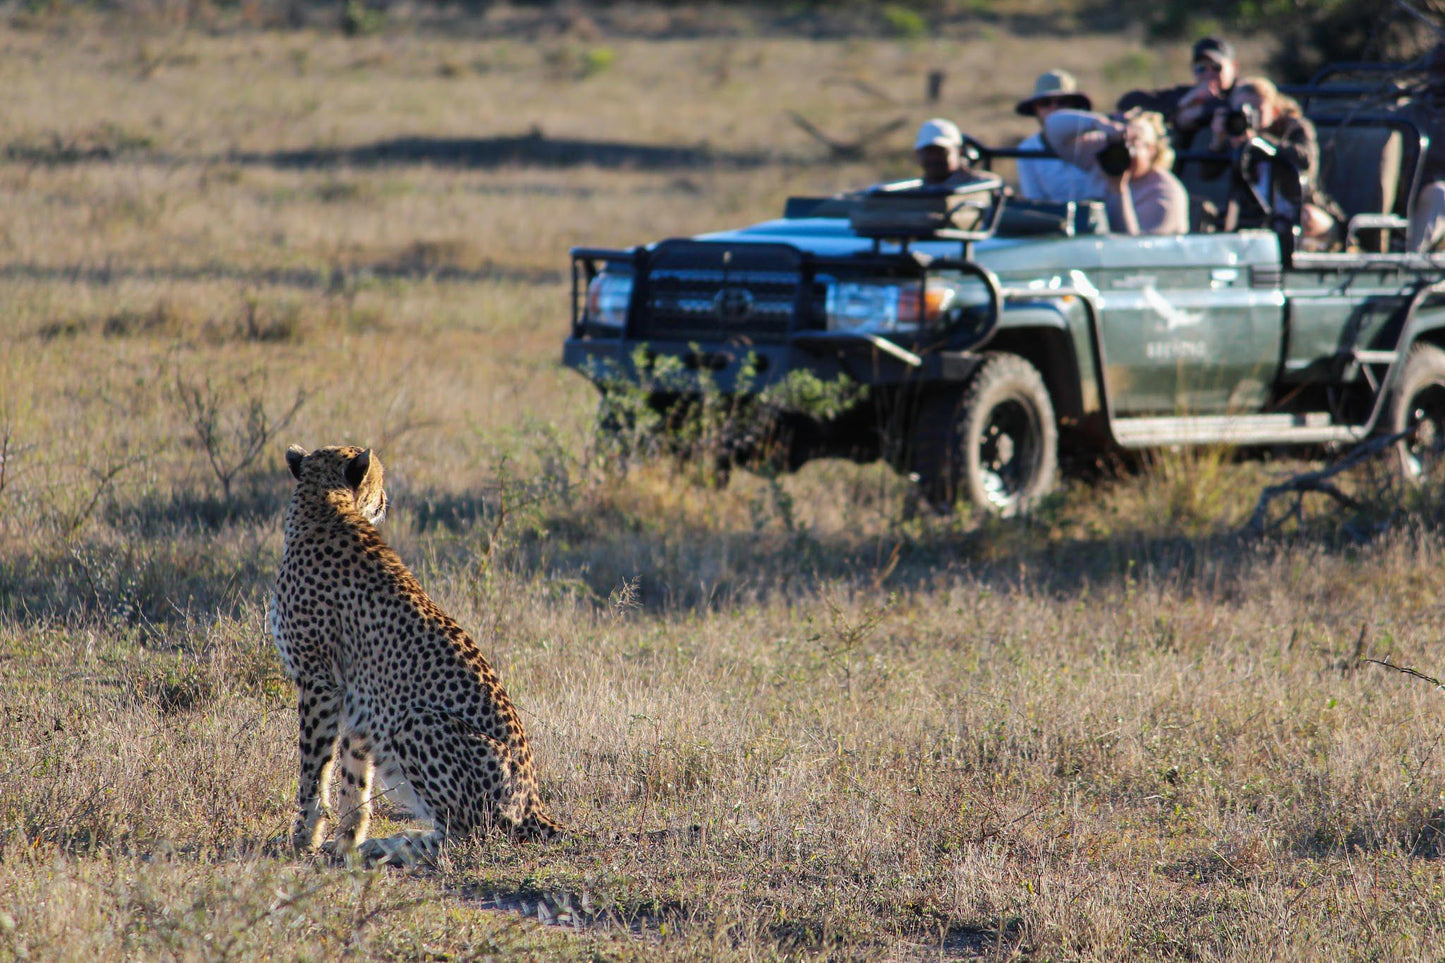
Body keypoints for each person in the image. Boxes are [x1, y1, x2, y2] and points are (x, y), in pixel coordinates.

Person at [1208, 76, 1344, 248]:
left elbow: (1306, 161)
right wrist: (1217, 142)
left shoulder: (1296, 128)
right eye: (1241, 110)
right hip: (1254, 217)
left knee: (1306, 216)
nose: (1247, 116)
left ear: (1274, 111)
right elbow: (1206, 175)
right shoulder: (1235, 135)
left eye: (1256, 110)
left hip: (1300, 210)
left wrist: (1260, 142)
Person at [1043, 108, 1189, 235]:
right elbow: (1052, 126)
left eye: (1133, 142)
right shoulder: (1101, 161)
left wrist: (1118, 191)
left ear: (1151, 150)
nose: (1123, 150)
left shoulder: (1165, 194)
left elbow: (1133, 250)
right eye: (1118, 142)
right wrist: (1099, 124)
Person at [1118, 37, 1239, 153]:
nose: (1208, 73)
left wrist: (1200, 111)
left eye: (1216, 67)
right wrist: (1180, 107)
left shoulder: (1242, 94)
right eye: (1201, 68)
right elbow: (1128, 101)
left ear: (1234, 67)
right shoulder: (1188, 95)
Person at [1014, 69, 1104, 203]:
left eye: (1062, 102)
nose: (1054, 108)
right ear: (1035, 109)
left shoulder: (1097, 141)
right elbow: (1034, 201)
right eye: (1045, 103)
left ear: (1074, 106)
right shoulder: (1027, 150)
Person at [1395, 44, 1445, 252]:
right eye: (1435, 71)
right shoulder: (1413, 111)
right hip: (1410, 189)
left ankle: (1411, 262)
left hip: (1435, 194)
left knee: (1437, 194)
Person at [912, 117, 985, 188]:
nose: (934, 158)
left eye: (940, 152)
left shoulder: (981, 184)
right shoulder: (914, 189)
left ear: (959, 151)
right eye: (928, 152)